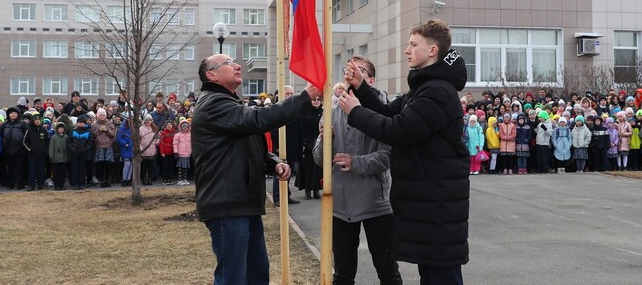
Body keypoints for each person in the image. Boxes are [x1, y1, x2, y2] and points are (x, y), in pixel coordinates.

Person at [339, 19, 469, 285]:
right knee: (431, 273)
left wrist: (356, 112)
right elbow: (389, 112)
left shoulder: (438, 92)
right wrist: (362, 88)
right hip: (428, 200)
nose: (407, 50)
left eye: (413, 44)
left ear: (432, 50)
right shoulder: (424, 87)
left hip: (437, 202)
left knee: (442, 275)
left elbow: (398, 130)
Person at [192, 54, 321, 285]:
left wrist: (273, 162)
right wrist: (304, 97)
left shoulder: (228, 102)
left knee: (257, 274)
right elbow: (259, 120)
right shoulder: (213, 103)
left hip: (243, 200)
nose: (237, 65)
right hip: (227, 203)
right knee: (233, 277)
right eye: (229, 63)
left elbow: (247, 141)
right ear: (211, 75)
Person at [314, 56, 402, 285]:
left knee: (387, 271)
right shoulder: (332, 108)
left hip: (376, 204)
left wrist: (356, 162)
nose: (350, 73)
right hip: (341, 204)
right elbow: (317, 159)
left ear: (370, 81)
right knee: (342, 274)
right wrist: (327, 140)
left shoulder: (384, 111)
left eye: (358, 70)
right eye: (347, 69)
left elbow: (388, 156)